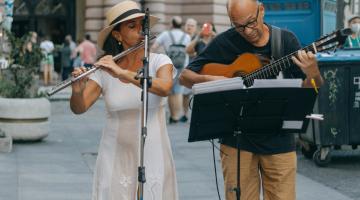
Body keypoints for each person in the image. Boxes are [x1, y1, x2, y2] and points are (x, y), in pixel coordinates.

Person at [179, 0, 324, 199]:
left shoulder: (286, 40)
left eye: (250, 22)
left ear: (261, 11)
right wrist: (212, 79)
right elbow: (185, 76)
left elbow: (309, 90)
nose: (247, 31)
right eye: (238, 26)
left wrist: (313, 73)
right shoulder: (224, 42)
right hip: (236, 141)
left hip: (279, 140)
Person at [69, 1, 178, 199]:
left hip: (153, 150)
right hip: (115, 154)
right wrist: (76, 91)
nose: (141, 31)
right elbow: (79, 107)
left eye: (142, 25)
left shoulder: (160, 61)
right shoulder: (105, 70)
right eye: (132, 26)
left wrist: (122, 73)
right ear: (117, 35)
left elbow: (164, 88)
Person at [151, 16, 191, 123]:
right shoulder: (186, 36)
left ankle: (173, 115)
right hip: (183, 65)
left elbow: (154, 47)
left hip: (168, 66)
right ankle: (177, 116)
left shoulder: (165, 34)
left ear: (172, 24)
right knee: (178, 92)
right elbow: (190, 50)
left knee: (169, 90)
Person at [181, 18, 198, 122]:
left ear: (195, 28)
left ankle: (196, 115)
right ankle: (185, 114)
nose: (189, 27)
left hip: (197, 70)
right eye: (188, 25)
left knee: (197, 93)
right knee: (185, 93)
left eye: (192, 25)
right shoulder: (182, 38)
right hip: (185, 68)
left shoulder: (198, 39)